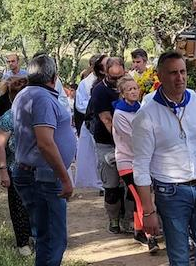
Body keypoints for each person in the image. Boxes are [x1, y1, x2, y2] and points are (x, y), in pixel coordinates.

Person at [132, 51, 196, 266]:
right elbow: (140, 166)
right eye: (173, 73)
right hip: (171, 192)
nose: (180, 78)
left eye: (183, 72)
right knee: (179, 258)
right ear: (160, 76)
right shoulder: (147, 114)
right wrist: (148, 211)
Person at [11, 54, 76, 266]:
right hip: (43, 177)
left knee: (45, 236)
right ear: (54, 77)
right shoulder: (42, 98)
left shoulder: (26, 93)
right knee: (52, 240)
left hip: (33, 173)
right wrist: (65, 178)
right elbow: (45, 143)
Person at [111, 75, 160, 253]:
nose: (133, 91)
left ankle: (139, 231)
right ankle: (150, 237)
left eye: (135, 88)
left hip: (144, 160)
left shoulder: (142, 109)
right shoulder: (119, 114)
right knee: (142, 197)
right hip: (128, 161)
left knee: (140, 196)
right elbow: (133, 139)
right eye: (129, 89)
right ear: (122, 93)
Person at [0, 76, 32, 256]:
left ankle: (34, 236)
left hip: (35, 167)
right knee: (18, 206)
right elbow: (0, 145)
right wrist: (3, 171)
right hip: (14, 168)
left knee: (34, 204)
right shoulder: (8, 117)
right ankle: (22, 242)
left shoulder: (36, 114)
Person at [89, 57, 127, 233]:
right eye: (113, 78)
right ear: (105, 73)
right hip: (107, 141)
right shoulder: (99, 91)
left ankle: (129, 218)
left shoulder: (130, 85)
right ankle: (114, 219)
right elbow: (107, 121)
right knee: (111, 184)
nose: (117, 81)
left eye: (120, 77)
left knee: (129, 184)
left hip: (128, 143)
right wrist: (124, 143)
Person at [73, 54, 104, 190]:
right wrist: (95, 107)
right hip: (92, 120)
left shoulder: (108, 81)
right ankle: (95, 179)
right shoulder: (85, 83)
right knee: (93, 152)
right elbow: (80, 104)